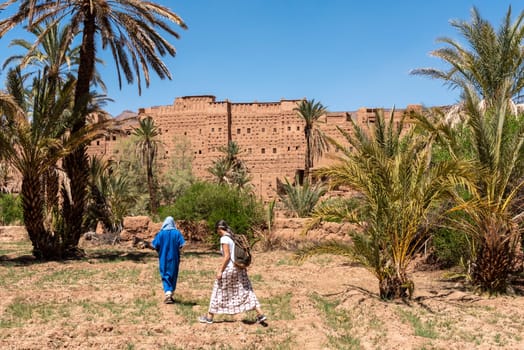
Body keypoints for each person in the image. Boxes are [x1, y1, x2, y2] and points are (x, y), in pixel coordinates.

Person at [198, 219, 266, 324]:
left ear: (219, 229)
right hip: (239, 268)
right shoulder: (233, 237)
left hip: (229, 268)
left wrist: (220, 271)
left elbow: (227, 257)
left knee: (218, 290)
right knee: (246, 290)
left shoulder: (224, 239)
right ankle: (260, 314)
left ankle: (209, 317)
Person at [151, 216, 186, 304]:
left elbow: (154, 245)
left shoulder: (161, 234)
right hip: (174, 258)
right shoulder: (177, 233)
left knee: (165, 274)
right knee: (173, 274)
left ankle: (168, 294)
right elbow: (182, 245)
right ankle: (171, 292)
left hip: (163, 258)